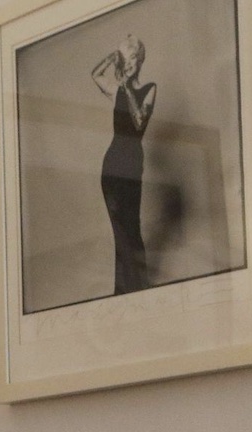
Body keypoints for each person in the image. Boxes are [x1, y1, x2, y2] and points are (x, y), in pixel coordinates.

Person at [92, 34, 157, 295]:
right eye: (124, 58)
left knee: (132, 225)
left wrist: (127, 85)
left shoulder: (149, 89)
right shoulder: (117, 89)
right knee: (119, 228)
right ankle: (122, 291)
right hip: (111, 165)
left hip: (131, 164)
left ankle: (140, 286)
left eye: (131, 58)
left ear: (139, 61)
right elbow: (96, 75)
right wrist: (113, 57)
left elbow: (139, 121)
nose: (128, 64)